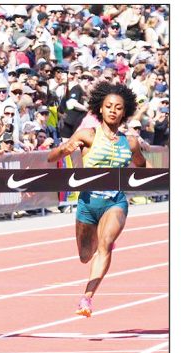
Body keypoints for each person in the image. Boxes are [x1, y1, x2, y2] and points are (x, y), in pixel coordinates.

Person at [47, 81, 147, 317]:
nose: (113, 110)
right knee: (85, 255)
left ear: (125, 112)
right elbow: (52, 158)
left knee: (105, 245)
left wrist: (144, 160)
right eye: (109, 106)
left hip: (116, 201)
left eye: (118, 107)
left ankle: (87, 298)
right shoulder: (87, 135)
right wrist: (66, 148)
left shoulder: (129, 141)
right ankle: (96, 248)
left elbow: (142, 166)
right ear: (100, 109)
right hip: (88, 203)